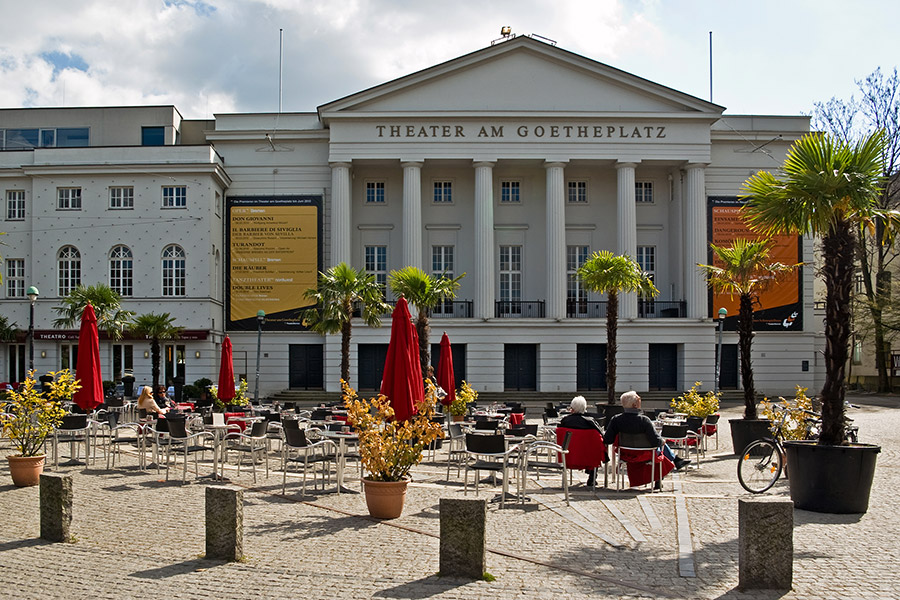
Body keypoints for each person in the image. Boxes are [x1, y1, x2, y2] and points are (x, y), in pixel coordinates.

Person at [603, 391, 690, 486]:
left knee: (658, 446)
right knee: (659, 446)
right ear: (635, 405)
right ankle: (668, 468)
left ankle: (676, 460)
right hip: (644, 453)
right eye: (639, 399)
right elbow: (655, 441)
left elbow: (608, 440)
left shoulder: (616, 420)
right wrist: (662, 441)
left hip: (625, 453)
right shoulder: (644, 420)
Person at [559, 395, 605, 487]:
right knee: (594, 447)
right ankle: (592, 476)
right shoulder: (590, 422)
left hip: (570, 455)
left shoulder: (565, 421)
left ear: (572, 408)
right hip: (588, 455)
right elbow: (601, 435)